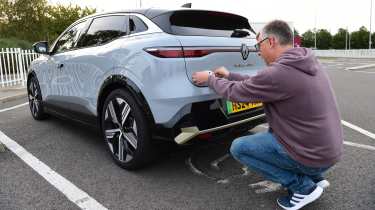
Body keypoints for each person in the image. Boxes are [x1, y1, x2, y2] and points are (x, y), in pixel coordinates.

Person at [192, 20, 343, 210]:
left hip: (313, 157)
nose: (257, 51)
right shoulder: (305, 61)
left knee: (240, 147)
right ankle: (315, 178)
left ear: (271, 42)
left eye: (259, 45)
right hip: (328, 153)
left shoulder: (280, 73)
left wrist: (210, 80)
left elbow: (237, 93)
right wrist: (230, 76)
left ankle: (303, 187)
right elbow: (259, 82)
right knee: (273, 136)